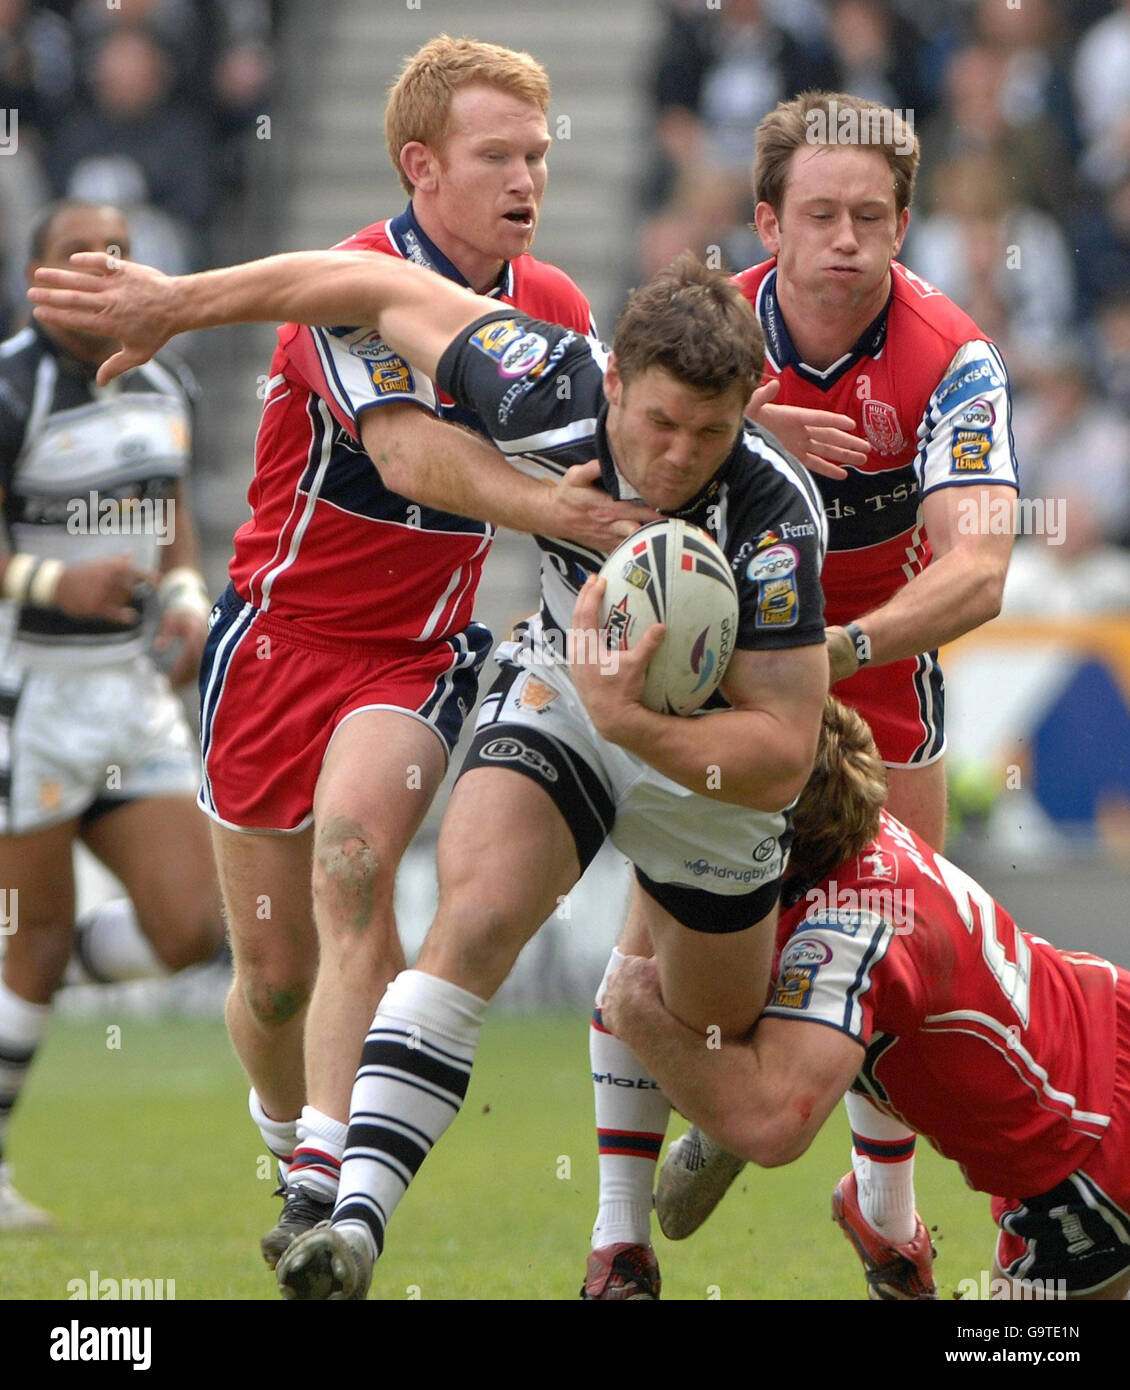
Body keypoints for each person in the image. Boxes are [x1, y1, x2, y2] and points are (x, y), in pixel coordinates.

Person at [30, 236, 833, 1298]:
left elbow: (777, 755)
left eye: (709, 431)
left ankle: (659, 1135)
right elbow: (362, 284)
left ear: (747, 410)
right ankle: (354, 1225)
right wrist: (177, 300)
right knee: (476, 916)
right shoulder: (543, 375)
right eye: (655, 422)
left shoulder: (775, 517)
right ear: (615, 380)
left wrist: (634, 723)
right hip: (563, 687)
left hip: (709, 765)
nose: (677, 455)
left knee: (721, 1060)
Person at [36, 37, 646, 1270]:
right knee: (269, 976)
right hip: (274, 644)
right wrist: (564, 511)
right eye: (497, 155)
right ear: (421, 166)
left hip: (410, 655)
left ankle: (326, 1181)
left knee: (358, 857)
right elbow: (416, 455)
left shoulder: (558, 308)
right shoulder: (351, 279)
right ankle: (287, 1126)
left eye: (535, 153)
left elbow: (626, 434)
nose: (527, 176)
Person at [583, 89, 1022, 1298]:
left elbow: (980, 569)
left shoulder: (952, 360)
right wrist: (744, 424)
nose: (844, 238)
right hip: (714, 684)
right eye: (817, 213)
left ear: (901, 224)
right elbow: (607, 456)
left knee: (894, 957)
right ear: (766, 218)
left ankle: (880, 1208)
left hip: (874, 681)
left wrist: (831, 652)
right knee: (653, 943)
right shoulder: (711, 343)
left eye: (869, 217)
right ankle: (615, 1240)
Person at [602, 696, 1130, 1303]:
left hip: (1086, 1156)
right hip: (1100, 1033)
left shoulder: (844, 934)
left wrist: (634, 1009)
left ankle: (880, 1218)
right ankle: (881, 1215)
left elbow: (772, 1125)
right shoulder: (853, 828)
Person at [0, 199, 223, 1229]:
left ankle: (34, 963)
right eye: (76, 253)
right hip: (30, 695)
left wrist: (185, 602)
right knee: (29, 935)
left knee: (195, 925)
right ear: (36, 273)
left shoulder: (165, 374)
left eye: (120, 252)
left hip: (131, 698)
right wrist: (50, 581)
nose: (101, 266)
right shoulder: (12, 384)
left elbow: (169, 523)